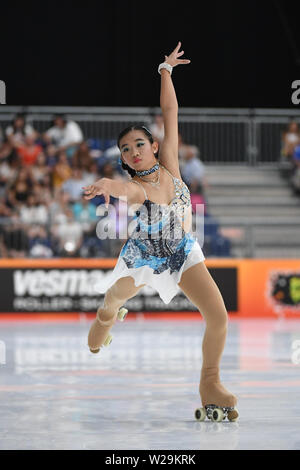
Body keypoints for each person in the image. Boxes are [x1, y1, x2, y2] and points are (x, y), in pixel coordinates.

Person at [83, 42, 238, 421]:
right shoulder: (137, 188)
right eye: (125, 150)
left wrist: (164, 70)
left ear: (153, 146)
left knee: (218, 317)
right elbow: (124, 190)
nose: (133, 151)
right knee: (112, 302)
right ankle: (105, 318)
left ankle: (210, 382)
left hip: (183, 252)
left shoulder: (169, 164)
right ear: (122, 159)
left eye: (139, 143)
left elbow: (171, 112)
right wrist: (107, 182)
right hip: (145, 256)